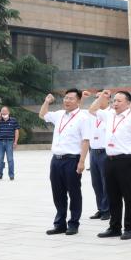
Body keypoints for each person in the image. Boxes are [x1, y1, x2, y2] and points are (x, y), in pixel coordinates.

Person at [89, 90, 131, 240]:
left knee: (128, 195)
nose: (115, 103)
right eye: (114, 100)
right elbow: (92, 110)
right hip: (109, 159)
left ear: (128, 103)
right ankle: (114, 227)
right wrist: (102, 96)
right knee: (112, 195)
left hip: (125, 160)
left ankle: (130, 228)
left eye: (119, 101)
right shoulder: (109, 115)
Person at [40, 89, 91, 236]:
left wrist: (82, 162)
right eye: (66, 98)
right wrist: (47, 101)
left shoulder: (83, 117)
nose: (67, 101)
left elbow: (86, 141)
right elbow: (43, 114)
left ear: (78, 101)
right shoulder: (59, 114)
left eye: (71, 98)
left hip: (72, 160)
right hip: (56, 160)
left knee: (74, 192)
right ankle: (60, 224)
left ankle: (73, 223)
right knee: (58, 193)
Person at [86, 93, 110, 222]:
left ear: (108, 99)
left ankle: (107, 209)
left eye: (101, 97)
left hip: (105, 151)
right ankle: (100, 208)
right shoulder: (92, 115)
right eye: (96, 98)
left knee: (107, 183)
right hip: (93, 151)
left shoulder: (111, 113)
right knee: (96, 183)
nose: (98, 100)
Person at [0, 106, 20, 181]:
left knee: (10, 159)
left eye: (5, 112)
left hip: (9, 142)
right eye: (2, 112)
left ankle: (11, 175)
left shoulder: (13, 120)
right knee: (0, 159)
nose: (3, 113)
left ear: (8, 112)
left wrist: (15, 142)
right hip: (0, 142)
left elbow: (16, 131)